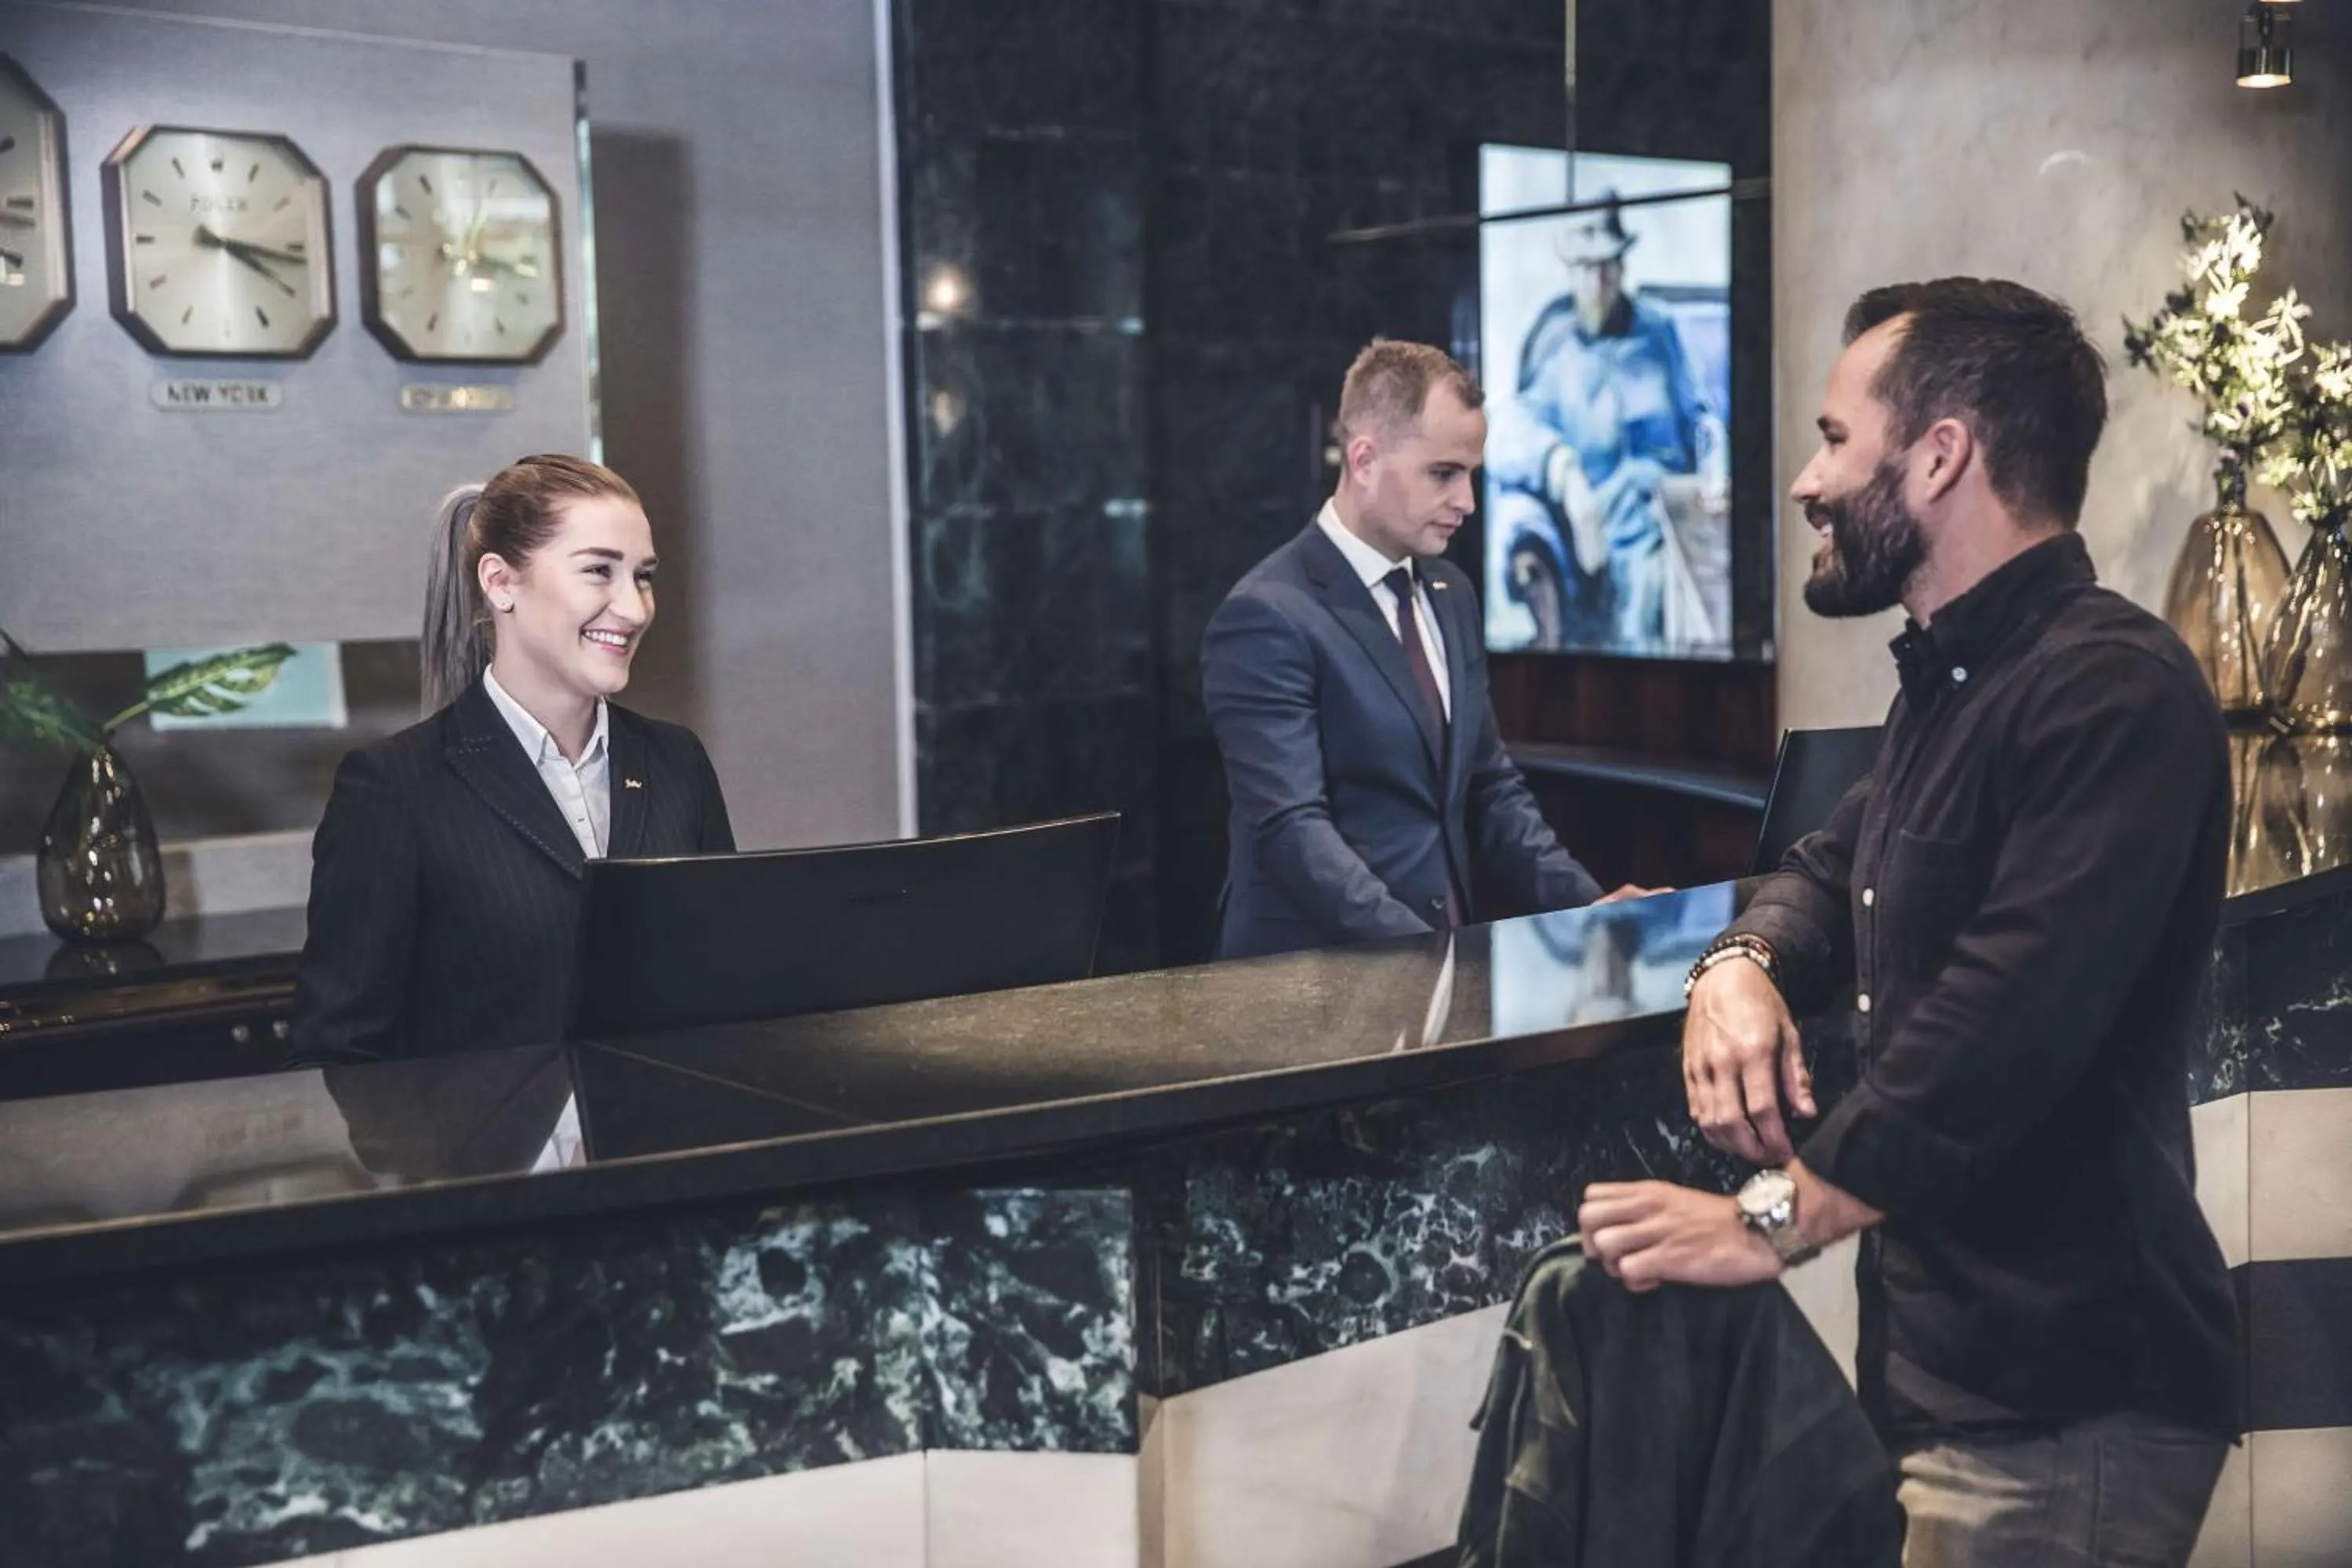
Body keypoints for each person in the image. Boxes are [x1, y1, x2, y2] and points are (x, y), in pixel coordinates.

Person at [1575, 279, 2240, 1566]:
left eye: (1835, 438)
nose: (1805, 483)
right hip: (1957, 1393)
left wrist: (1765, 1221)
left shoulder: (2109, 691)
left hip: (2067, 1405)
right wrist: (1742, 968)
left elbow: (1999, 1028)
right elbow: (1828, 867)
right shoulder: (1956, 685)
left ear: (1941, 455)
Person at [1201, 339, 1646, 962]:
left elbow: (1490, 786)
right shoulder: (1267, 614)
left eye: (1471, 475)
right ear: (1363, 460)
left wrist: (1584, 904)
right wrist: (1424, 954)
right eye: (1444, 473)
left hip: (1431, 978)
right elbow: (1293, 830)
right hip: (1309, 992)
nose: (1466, 501)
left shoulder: (1450, 593)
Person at [289, 454, 735, 1065]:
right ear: (500, 583)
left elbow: (729, 992)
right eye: (599, 571)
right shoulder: (396, 786)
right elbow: (337, 1052)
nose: (633, 608)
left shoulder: (677, 761)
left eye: (644, 576)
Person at [1486, 194, 1729, 651]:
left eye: (1609, 267)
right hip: (1612, 536)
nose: (1598, 282)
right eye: (1586, 268)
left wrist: (1717, 464)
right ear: (1570, 272)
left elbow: (1702, 419)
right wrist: (1564, 471)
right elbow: (1504, 430)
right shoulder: (1555, 347)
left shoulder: (1659, 332)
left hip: (1679, 516)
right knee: (1646, 588)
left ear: (1622, 269)